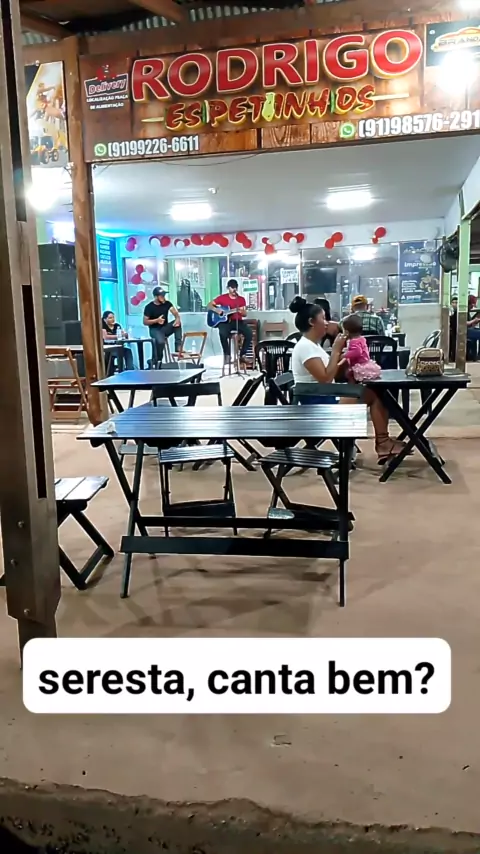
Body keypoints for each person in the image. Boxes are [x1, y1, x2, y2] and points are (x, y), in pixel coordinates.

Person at [289, 296, 407, 464]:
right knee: (375, 395)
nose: (327, 323)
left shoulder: (313, 345)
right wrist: (336, 351)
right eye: (323, 318)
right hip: (318, 402)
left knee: (376, 392)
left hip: (324, 395)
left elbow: (331, 373)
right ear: (311, 322)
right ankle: (383, 443)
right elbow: (325, 378)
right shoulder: (305, 347)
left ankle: (383, 442)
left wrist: (347, 359)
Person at [208, 279, 252, 368]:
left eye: (235, 287)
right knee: (222, 333)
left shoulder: (241, 299)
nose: (234, 289)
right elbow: (209, 305)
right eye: (232, 288)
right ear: (228, 288)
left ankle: (242, 355)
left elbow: (245, 314)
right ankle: (227, 355)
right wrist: (217, 310)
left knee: (249, 333)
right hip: (225, 322)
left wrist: (241, 311)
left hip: (237, 321)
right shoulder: (222, 298)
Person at [143, 287, 182, 367]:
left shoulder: (167, 304)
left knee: (178, 324)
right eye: (161, 296)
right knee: (160, 342)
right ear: (156, 297)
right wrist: (157, 320)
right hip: (154, 329)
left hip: (165, 328)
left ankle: (178, 346)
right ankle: (156, 361)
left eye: (164, 295)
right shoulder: (149, 307)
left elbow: (175, 313)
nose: (163, 297)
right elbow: (145, 322)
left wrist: (177, 319)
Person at [342, 313, 381, 382]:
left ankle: (352, 388)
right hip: (366, 363)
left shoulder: (353, 341)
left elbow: (357, 351)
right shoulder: (362, 338)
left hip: (359, 366)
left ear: (347, 332)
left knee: (349, 375)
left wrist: (344, 355)